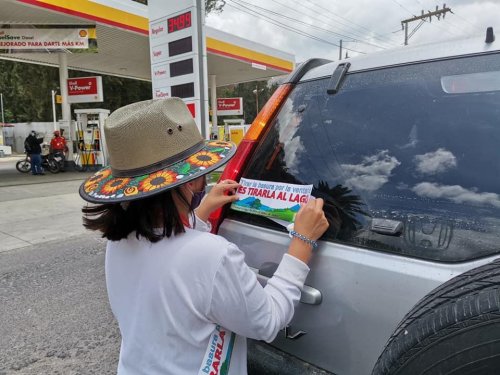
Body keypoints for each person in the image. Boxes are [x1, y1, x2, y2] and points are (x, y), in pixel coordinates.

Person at [79, 98, 329, 375]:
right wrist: (302, 241)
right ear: (188, 179)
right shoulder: (212, 254)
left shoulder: (119, 241)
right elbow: (267, 322)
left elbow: (169, 256)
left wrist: (203, 209)